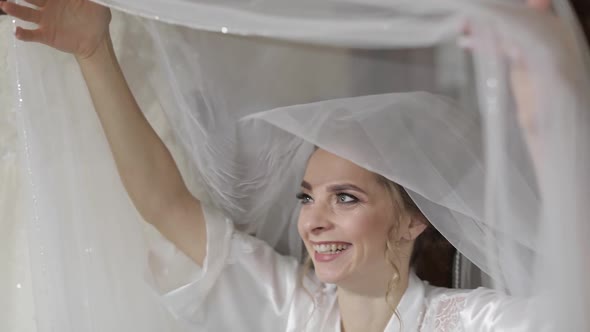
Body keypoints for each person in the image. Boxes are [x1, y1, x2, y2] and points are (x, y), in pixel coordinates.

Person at [0, 0, 557, 331]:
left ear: (414, 218)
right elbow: (166, 206)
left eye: (346, 197)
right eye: (307, 196)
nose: (313, 222)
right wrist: (95, 53)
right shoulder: (292, 310)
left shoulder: (476, 323)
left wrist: (548, 96)